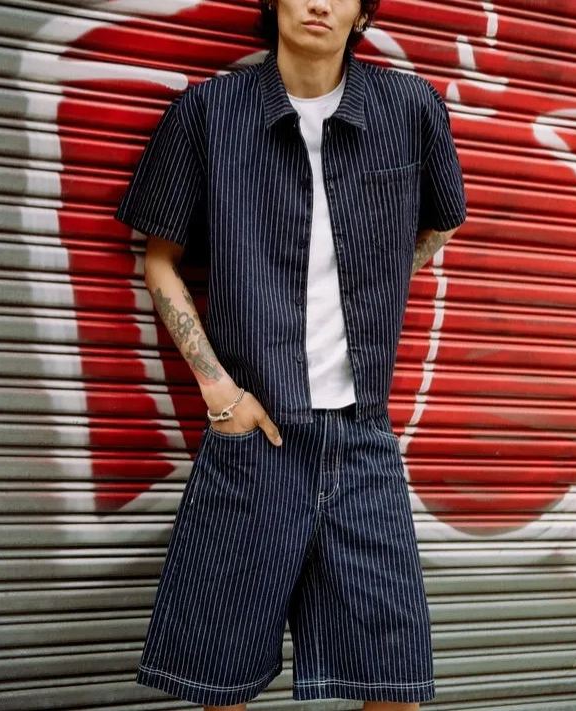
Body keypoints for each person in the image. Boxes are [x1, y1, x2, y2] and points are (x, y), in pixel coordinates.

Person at [114, 0, 467, 708]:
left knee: (394, 677)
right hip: (257, 438)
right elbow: (160, 261)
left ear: (362, 12)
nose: (319, 3)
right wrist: (220, 392)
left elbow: (443, 221)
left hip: (361, 438)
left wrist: (383, 277)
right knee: (221, 682)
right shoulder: (209, 114)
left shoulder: (410, 109)